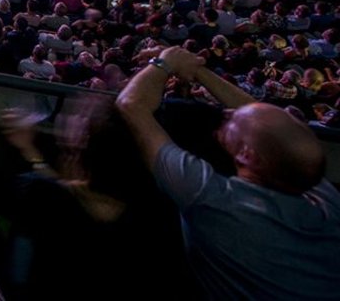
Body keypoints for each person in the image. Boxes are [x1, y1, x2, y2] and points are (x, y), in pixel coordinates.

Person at [116, 46, 340, 300]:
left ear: (247, 155)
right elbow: (261, 118)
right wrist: (198, 70)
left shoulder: (215, 200)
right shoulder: (321, 194)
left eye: (232, 120)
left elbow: (130, 104)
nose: (228, 112)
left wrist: (166, 62)